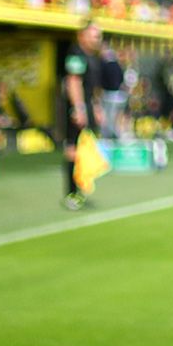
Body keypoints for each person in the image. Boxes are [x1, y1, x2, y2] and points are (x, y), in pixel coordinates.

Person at [61, 21, 104, 210]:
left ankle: (80, 188)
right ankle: (71, 193)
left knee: (84, 150)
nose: (97, 39)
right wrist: (78, 108)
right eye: (94, 34)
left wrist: (95, 107)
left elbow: (91, 86)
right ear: (82, 35)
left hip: (87, 107)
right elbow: (73, 82)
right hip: (77, 109)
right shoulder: (75, 55)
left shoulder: (91, 56)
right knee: (73, 149)